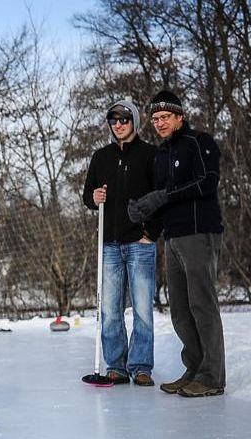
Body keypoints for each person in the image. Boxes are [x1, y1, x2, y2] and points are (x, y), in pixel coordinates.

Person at [128, 90, 225, 397]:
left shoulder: (200, 141)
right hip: (172, 237)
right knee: (180, 311)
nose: (160, 123)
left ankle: (212, 377)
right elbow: (162, 200)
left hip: (199, 232)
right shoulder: (161, 155)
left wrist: (164, 196)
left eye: (165, 117)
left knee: (202, 304)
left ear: (180, 116)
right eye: (155, 118)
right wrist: (144, 216)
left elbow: (208, 182)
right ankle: (195, 368)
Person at [81, 99, 160, 387]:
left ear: (135, 122)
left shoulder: (151, 155)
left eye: (124, 120)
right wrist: (93, 198)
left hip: (140, 243)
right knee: (110, 310)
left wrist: (150, 232)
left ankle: (140, 366)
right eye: (113, 121)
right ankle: (117, 365)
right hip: (110, 244)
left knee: (142, 309)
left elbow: (162, 197)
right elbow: (87, 194)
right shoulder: (100, 157)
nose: (118, 125)